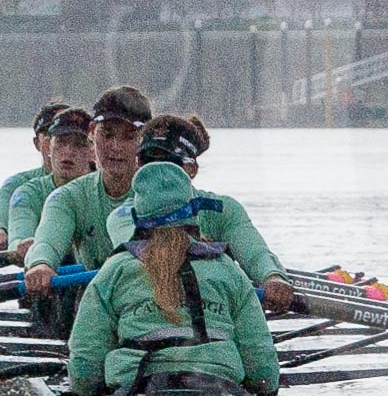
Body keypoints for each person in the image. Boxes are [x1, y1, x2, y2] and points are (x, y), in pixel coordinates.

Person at [64, 162, 280, 396]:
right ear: (193, 213)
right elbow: (260, 360)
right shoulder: (226, 268)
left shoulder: (115, 269)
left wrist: (87, 392)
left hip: (138, 387)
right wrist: (264, 387)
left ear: (139, 216)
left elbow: (86, 359)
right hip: (219, 384)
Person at [102, 114, 295, 313]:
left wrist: (272, 278)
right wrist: (197, 247)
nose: (158, 172)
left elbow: (255, 254)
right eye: (147, 161)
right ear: (137, 166)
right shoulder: (122, 215)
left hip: (210, 311)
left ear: (191, 169)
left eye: (170, 163)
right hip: (144, 308)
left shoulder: (223, 209)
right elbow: (142, 249)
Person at [24, 85, 154, 298]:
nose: (115, 147)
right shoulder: (68, 198)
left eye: (129, 137)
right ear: (92, 132)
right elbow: (48, 240)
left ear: (144, 139)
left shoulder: (164, 195)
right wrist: (41, 264)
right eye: (108, 134)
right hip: (94, 299)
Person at [6, 107, 97, 262]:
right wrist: (21, 245)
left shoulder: (106, 189)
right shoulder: (28, 193)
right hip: (47, 275)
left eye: (79, 144)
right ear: (47, 147)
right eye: (61, 142)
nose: (68, 151)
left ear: (92, 151)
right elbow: (19, 232)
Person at [0, 102, 68, 252]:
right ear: (38, 143)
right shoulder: (18, 186)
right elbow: (0, 221)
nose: (68, 148)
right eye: (53, 134)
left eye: (76, 139)